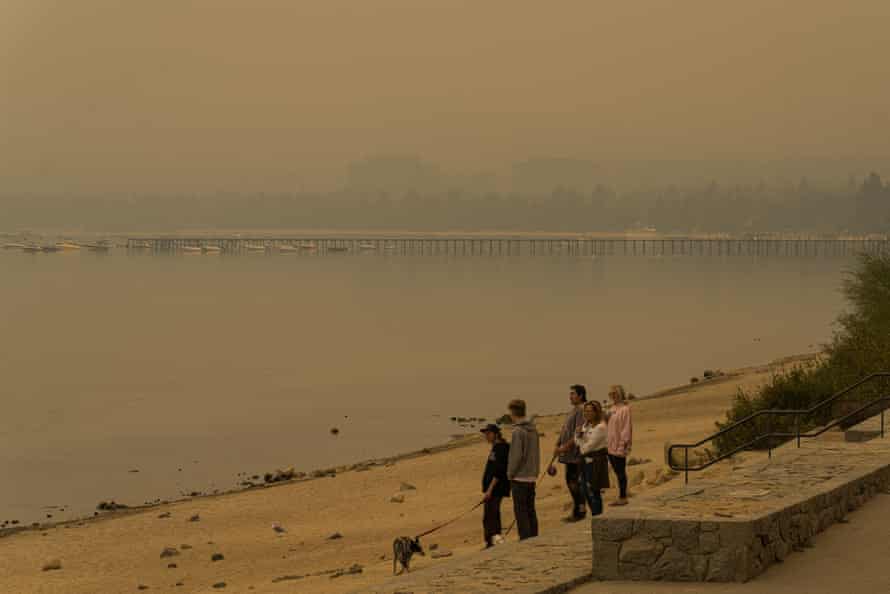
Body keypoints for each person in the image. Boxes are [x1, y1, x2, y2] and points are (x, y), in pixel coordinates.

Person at [552, 384, 587, 522]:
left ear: (580, 395)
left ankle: (580, 512)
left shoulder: (582, 410)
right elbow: (565, 430)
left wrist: (563, 447)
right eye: (570, 394)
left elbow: (578, 433)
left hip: (576, 454)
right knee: (570, 481)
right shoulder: (573, 410)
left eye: (573, 394)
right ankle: (576, 510)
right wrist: (557, 443)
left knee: (574, 482)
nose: (570, 396)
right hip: (568, 454)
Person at [506, 398, 540, 540]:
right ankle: (533, 535)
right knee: (530, 508)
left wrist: (510, 473)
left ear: (513, 412)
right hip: (531, 474)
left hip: (520, 476)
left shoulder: (518, 431)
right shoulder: (533, 429)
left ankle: (525, 538)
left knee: (521, 511)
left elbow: (516, 456)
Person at [574, 401, 609, 516]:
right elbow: (577, 440)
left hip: (596, 462)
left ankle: (597, 515)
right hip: (585, 462)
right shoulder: (586, 425)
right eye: (585, 411)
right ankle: (595, 514)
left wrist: (579, 438)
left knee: (594, 491)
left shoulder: (601, 427)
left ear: (596, 412)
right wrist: (578, 436)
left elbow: (585, 448)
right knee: (585, 490)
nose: (587, 413)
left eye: (590, 411)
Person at [480, 423, 510, 548]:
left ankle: (493, 541)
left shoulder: (501, 448)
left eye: (489, 434)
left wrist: (490, 490)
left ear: (496, 434)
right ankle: (491, 540)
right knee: (490, 515)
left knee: (491, 515)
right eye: (485, 434)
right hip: (492, 488)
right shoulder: (496, 447)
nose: (486, 436)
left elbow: (499, 471)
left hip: (496, 488)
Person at [606, 384, 632, 506]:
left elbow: (626, 429)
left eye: (615, 393)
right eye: (611, 394)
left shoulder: (625, 409)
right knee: (616, 472)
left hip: (619, 446)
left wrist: (622, 446)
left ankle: (623, 497)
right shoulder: (611, 409)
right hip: (610, 446)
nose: (613, 396)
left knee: (621, 472)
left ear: (620, 394)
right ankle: (620, 495)